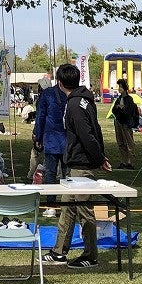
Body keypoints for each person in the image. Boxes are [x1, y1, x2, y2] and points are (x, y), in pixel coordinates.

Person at [45, 63, 112, 269]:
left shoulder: (76, 104)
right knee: (67, 208)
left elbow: (87, 134)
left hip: (82, 164)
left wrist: (99, 157)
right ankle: (59, 251)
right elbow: (95, 130)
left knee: (84, 210)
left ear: (60, 82)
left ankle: (91, 254)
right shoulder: (84, 100)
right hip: (75, 163)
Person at [31, 76, 67, 217]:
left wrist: (38, 136)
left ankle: (51, 205)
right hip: (66, 139)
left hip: (52, 139)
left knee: (51, 174)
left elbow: (40, 117)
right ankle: (67, 206)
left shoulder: (47, 95)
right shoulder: (72, 93)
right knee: (66, 175)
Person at [110, 78, 139, 169]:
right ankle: (124, 161)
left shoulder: (129, 99)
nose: (119, 89)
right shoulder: (119, 99)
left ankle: (131, 162)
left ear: (125, 88)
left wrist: (122, 109)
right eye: (119, 87)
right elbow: (113, 110)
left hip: (126, 124)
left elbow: (128, 112)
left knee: (129, 143)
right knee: (121, 143)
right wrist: (118, 108)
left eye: (121, 87)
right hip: (118, 122)